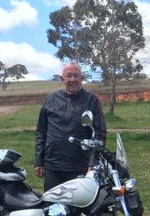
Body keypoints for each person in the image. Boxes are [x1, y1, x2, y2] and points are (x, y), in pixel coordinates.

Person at [35, 62, 106, 191]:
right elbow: (41, 132)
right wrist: (39, 160)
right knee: (52, 206)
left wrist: (93, 162)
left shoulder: (92, 100)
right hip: (52, 166)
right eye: (69, 76)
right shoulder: (51, 99)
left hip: (79, 166)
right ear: (62, 79)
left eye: (76, 76)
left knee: (79, 208)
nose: (72, 79)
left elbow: (99, 133)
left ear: (82, 78)